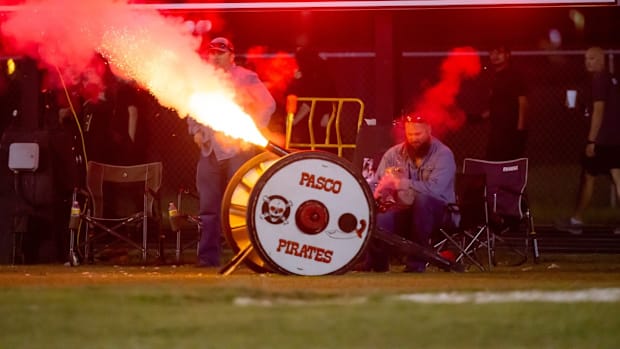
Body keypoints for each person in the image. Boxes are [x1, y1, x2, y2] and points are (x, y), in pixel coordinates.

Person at [187, 37, 276, 267]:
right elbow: (191, 105)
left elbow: (268, 104)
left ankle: (250, 258)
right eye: (212, 52)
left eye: (220, 52)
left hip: (238, 151)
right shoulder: (203, 80)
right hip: (210, 151)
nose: (215, 56)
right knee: (208, 208)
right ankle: (207, 258)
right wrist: (195, 130)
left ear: (231, 55)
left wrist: (249, 129)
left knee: (243, 206)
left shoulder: (246, 77)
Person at [365, 115, 456, 273]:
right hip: (405, 210)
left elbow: (436, 190)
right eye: (410, 134)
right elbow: (375, 183)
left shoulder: (443, 154)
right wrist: (379, 191)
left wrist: (401, 184)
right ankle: (376, 265)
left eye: (418, 134)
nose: (414, 139)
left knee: (423, 201)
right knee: (381, 218)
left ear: (429, 131)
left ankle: (416, 265)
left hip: (440, 212)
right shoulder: (393, 154)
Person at [563, 46, 620, 234]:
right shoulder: (610, 79)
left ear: (602, 60)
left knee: (588, 176)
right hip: (615, 137)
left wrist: (591, 141)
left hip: (603, 140)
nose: (588, 62)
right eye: (586, 58)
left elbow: (599, 111)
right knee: (616, 177)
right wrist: (578, 107)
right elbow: (596, 110)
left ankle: (576, 220)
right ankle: (576, 219)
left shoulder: (599, 80)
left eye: (593, 58)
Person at [483, 45, 529, 161]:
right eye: (492, 53)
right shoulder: (494, 77)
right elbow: (497, 104)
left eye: (499, 53)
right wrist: (477, 117)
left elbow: (523, 102)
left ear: (507, 55)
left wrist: (520, 129)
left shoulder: (514, 76)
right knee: (492, 162)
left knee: (508, 165)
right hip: (496, 129)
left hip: (511, 129)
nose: (495, 56)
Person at [285, 46, 337, 145]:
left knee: (317, 141)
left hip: (315, 118)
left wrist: (294, 121)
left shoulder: (314, 74)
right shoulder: (316, 71)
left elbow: (309, 101)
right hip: (316, 118)